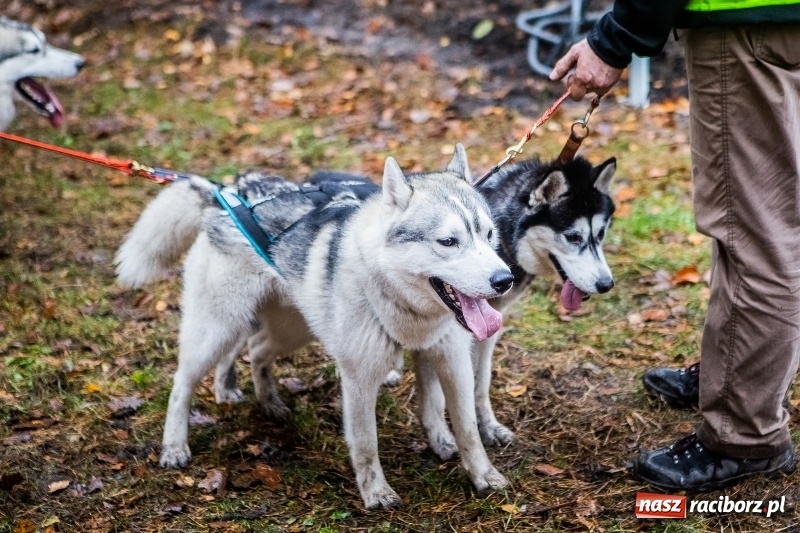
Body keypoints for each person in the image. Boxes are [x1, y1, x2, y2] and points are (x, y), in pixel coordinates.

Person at [549, 0, 800, 492]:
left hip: (750, 28)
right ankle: (735, 373)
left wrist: (614, 38)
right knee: (777, 216)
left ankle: (743, 435)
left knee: (755, 232)